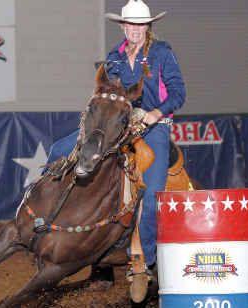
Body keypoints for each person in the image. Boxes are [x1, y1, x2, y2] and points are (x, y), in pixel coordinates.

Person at [47, 0, 186, 282]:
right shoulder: (115, 56)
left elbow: (178, 92)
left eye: (141, 24)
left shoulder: (162, 52)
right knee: (59, 150)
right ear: (123, 26)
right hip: (120, 125)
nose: (135, 29)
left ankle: (143, 261)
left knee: (153, 192)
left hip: (154, 127)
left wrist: (155, 113)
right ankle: (46, 219)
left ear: (148, 26)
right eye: (130, 24)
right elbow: (111, 93)